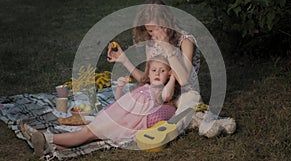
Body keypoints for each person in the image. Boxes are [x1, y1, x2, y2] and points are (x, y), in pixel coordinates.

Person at [24, 55, 179, 157]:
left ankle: (46, 138)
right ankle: (49, 146)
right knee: (87, 135)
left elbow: (167, 96)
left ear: (168, 74)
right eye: (154, 70)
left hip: (123, 122)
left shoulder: (159, 91)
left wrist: (173, 78)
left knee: (86, 134)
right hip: (113, 114)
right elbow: (120, 100)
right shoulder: (142, 88)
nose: (158, 73)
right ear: (148, 72)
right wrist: (119, 87)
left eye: (163, 71)